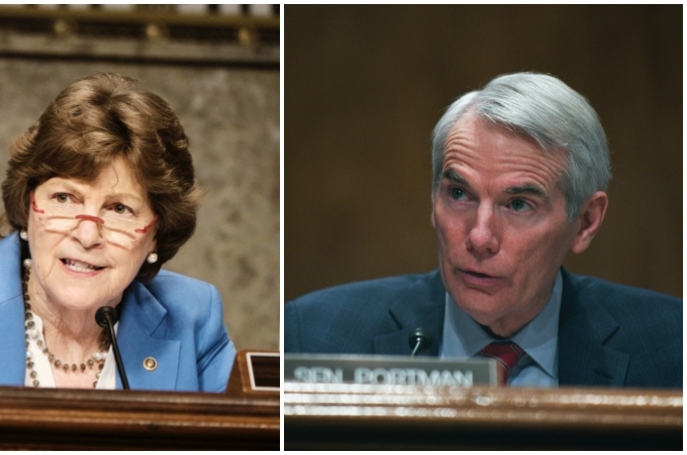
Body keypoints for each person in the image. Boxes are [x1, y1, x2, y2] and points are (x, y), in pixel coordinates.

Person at [285, 72, 682, 388]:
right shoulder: (313, 335)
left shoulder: (671, 349)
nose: (478, 237)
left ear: (586, 222)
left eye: (519, 205)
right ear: (433, 199)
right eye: (459, 194)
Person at [0, 73, 236, 391]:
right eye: (65, 198)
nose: (86, 236)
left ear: (157, 234)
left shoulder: (192, 317)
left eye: (119, 209)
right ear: (27, 203)